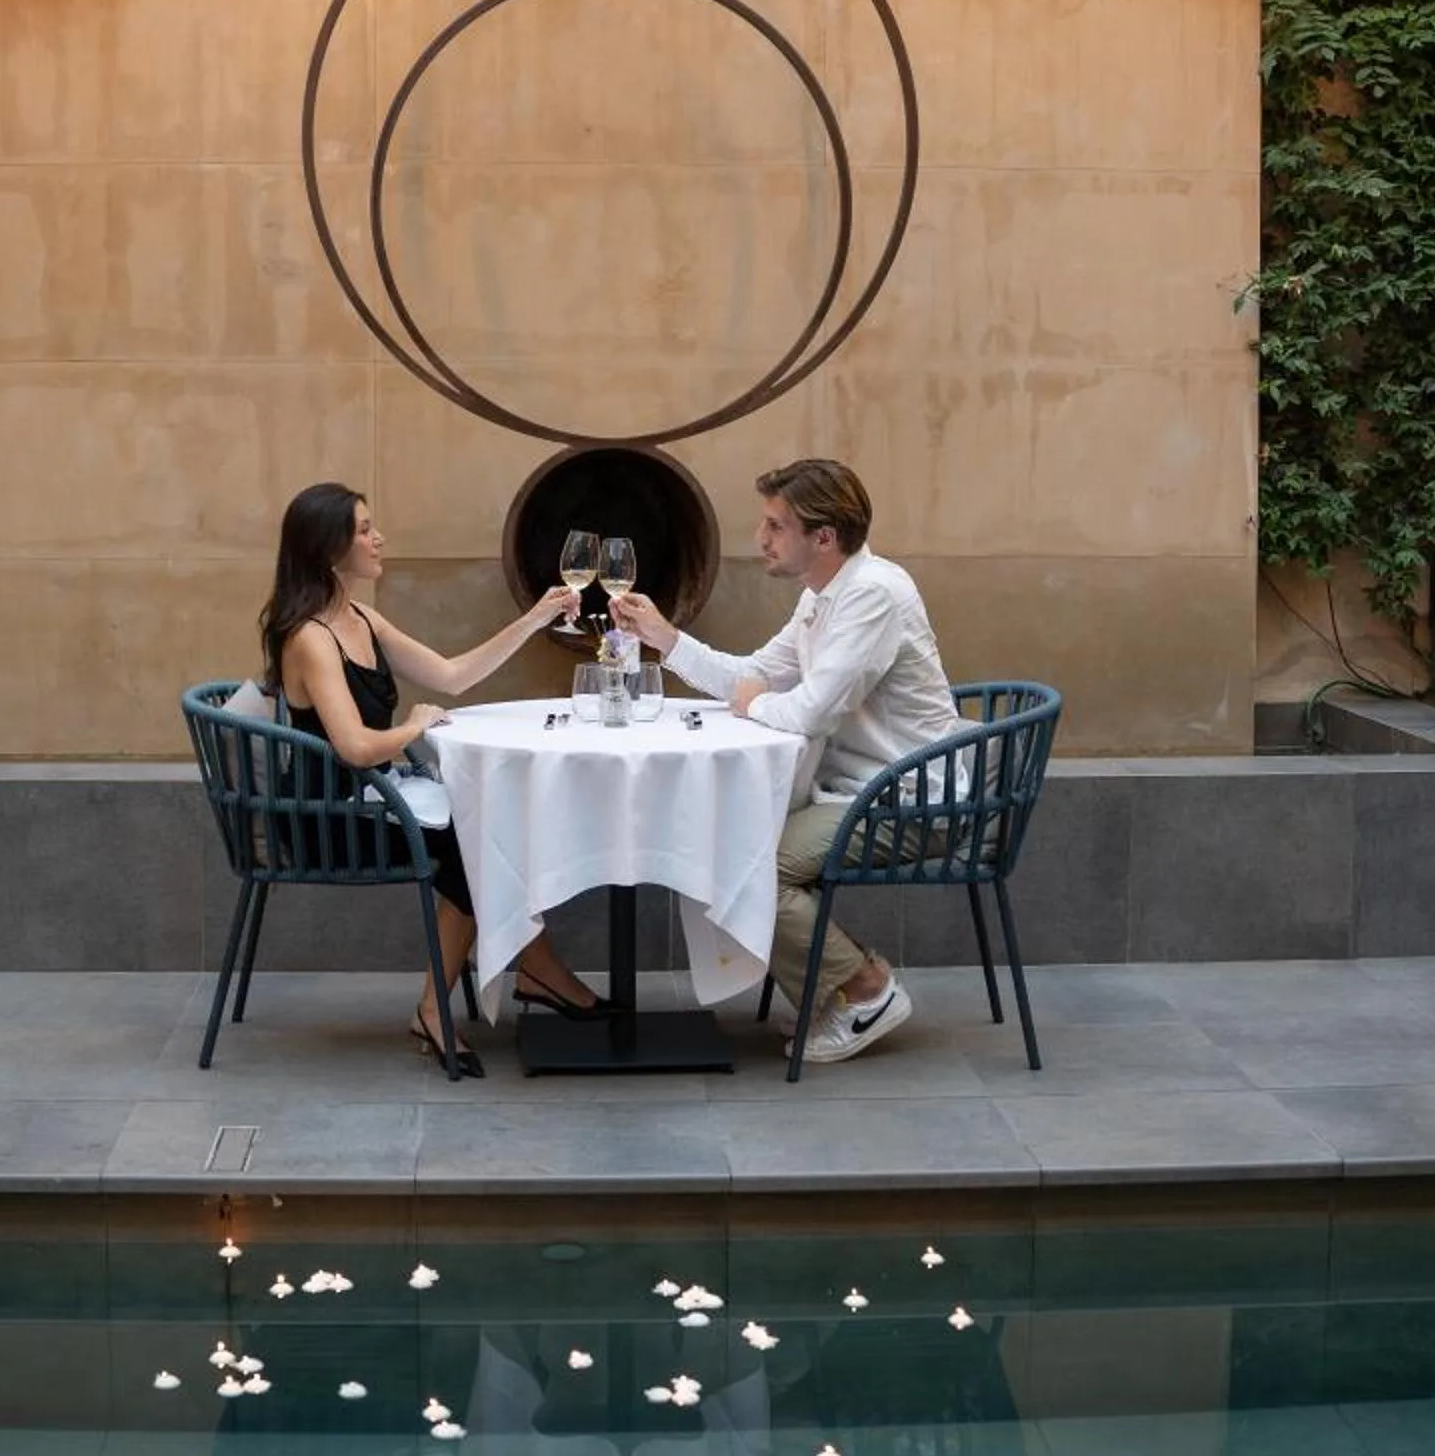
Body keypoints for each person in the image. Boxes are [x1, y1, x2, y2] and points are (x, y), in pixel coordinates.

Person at [610, 458, 958, 1064]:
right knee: (728, 847)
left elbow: (812, 712)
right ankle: (843, 989)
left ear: (822, 537)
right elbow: (754, 679)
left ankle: (865, 990)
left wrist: (757, 702)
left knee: (747, 862)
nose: (760, 539)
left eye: (775, 526)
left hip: (910, 800)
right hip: (857, 791)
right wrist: (663, 638)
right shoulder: (823, 596)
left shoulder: (873, 594)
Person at [261, 482, 608, 1077]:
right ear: (329, 546)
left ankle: (523, 977)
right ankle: (487, 991)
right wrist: (412, 727)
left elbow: (451, 676)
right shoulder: (311, 638)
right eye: (365, 529)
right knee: (474, 847)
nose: (379, 538)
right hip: (329, 814)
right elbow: (354, 745)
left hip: (374, 797)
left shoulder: (361, 618)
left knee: (486, 830)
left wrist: (537, 617)